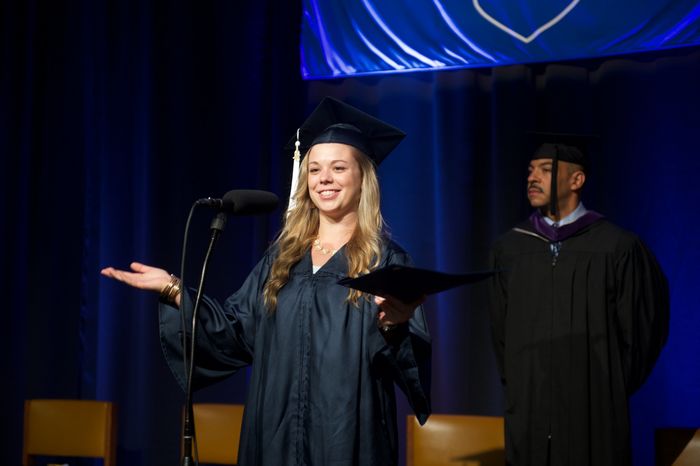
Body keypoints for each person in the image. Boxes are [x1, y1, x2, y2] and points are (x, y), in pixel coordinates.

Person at [101, 96, 431, 466]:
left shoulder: (385, 262)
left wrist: (396, 328)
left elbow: (411, 364)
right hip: (274, 435)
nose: (324, 179)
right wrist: (174, 289)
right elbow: (235, 332)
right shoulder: (282, 258)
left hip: (348, 439)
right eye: (314, 169)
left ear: (363, 178)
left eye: (339, 168)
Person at [488, 133, 669, 466]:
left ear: (577, 179)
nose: (532, 177)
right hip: (530, 412)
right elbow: (501, 334)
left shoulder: (617, 247)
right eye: (530, 170)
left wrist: (605, 386)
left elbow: (643, 333)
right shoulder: (510, 249)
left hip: (596, 415)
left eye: (544, 169)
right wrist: (525, 384)